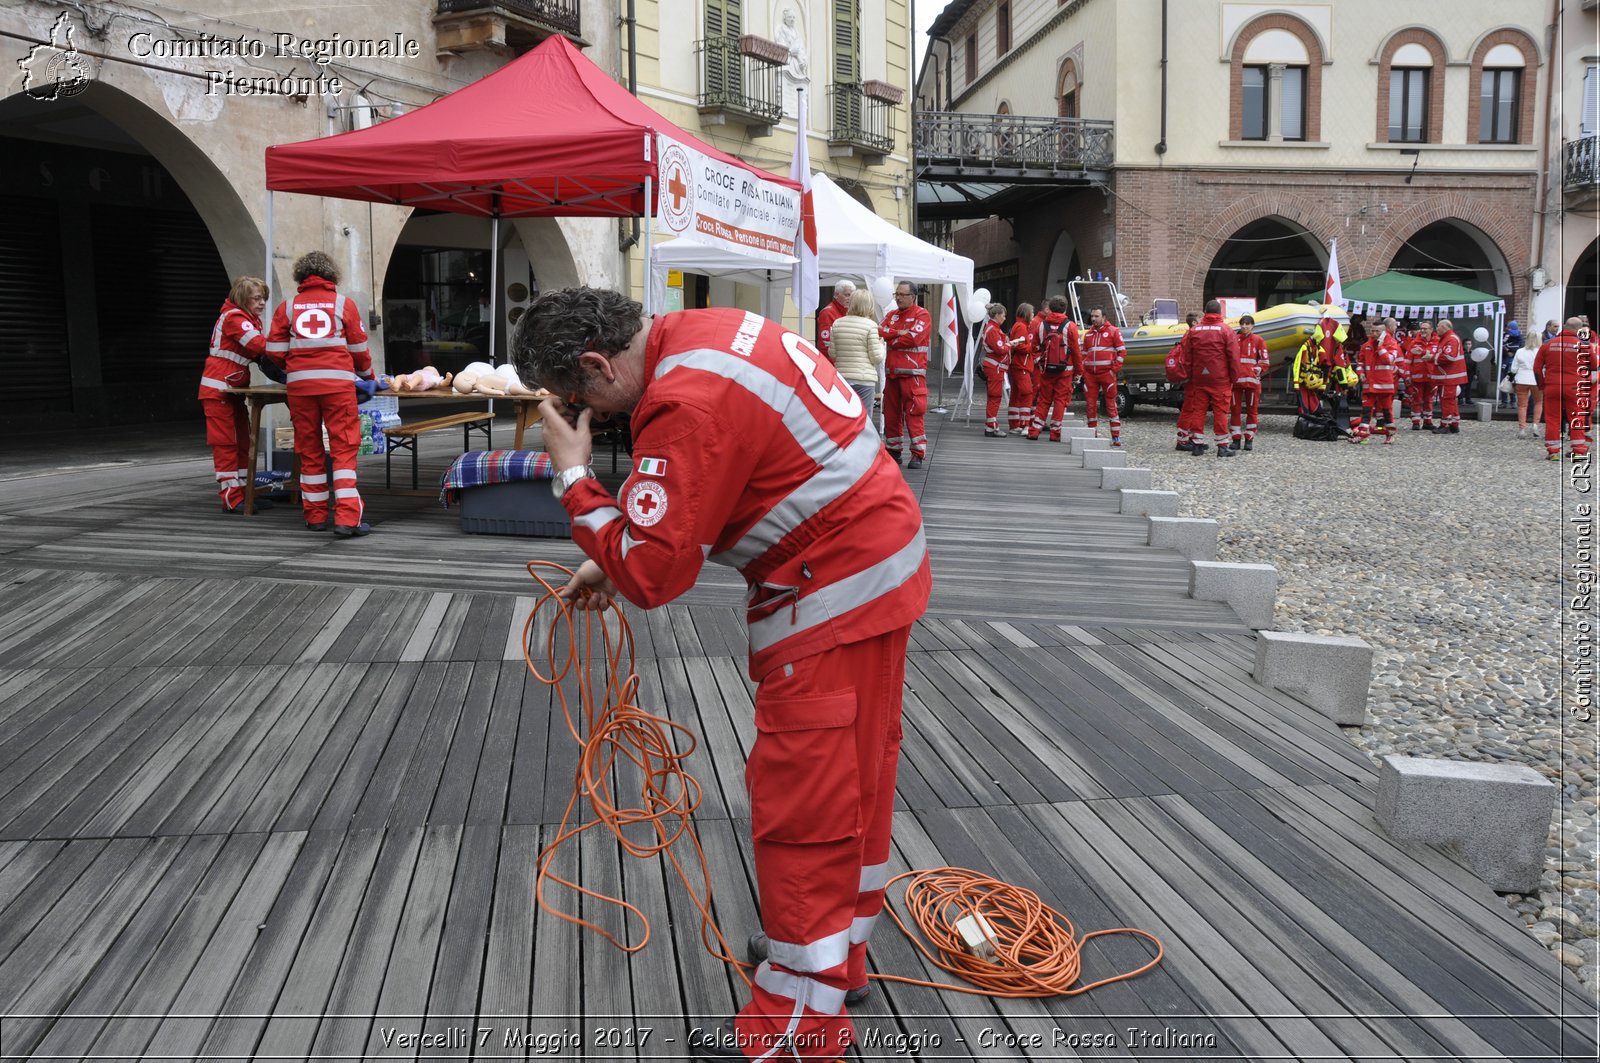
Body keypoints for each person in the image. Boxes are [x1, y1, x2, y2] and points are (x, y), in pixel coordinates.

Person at [511, 287, 932, 1063]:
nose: (592, 419)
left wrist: (575, 479)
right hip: (879, 561)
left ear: (599, 362)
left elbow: (654, 575)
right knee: (857, 779)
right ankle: (837, 962)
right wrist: (613, 553)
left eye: (582, 401)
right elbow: (702, 499)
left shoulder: (684, 400)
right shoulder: (701, 333)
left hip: (831, 589)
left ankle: (796, 1029)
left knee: (803, 804)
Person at [264, 251, 375, 536]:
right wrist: (368, 378)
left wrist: (298, 366)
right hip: (337, 388)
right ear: (331, 276)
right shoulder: (343, 305)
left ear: (301, 277)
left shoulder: (287, 308)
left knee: (309, 449)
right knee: (343, 448)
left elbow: (274, 354)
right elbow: (359, 351)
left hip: (300, 389)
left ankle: (314, 516)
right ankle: (347, 519)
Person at [199, 276, 274, 512]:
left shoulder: (248, 319)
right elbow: (259, 346)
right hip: (218, 391)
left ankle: (245, 492)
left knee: (242, 441)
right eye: (257, 298)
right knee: (226, 444)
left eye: (263, 298)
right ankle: (232, 498)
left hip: (231, 390)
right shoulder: (235, 318)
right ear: (243, 299)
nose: (262, 303)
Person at [1169, 298, 1238, 457]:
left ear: (1205, 312)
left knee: (1199, 410)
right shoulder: (1226, 330)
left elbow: (1187, 356)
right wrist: (1234, 377)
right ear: (1220, 313)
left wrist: (1189, 375)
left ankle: (1197, 445)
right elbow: (1233, 357)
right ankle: (1222, 446)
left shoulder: (1195, 331)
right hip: (1220, 378)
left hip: (1199, 378)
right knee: (1220, 411)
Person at [879, 282, 932, 468]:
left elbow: (913, 337)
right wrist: (898, 333)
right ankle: (894, 450)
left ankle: (918, 453)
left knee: (914, 413)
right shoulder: (891, 315)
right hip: (892, 374)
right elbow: (879, 331)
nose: (898, 297)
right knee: (891, 414)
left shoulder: (922, 315)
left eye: (903, 294)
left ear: (913, 296)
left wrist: (893, 337)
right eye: (897, 294)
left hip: (912, 375)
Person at [1533, 317, 1594, 460]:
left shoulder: (1548, 344)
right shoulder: (1584, 346)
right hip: (1575, 387)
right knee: (1576, 418)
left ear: (1564, 327)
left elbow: (1536, 368)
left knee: (1553, 418)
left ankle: (1553, 452)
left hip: (1552, 386)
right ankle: (1579, 450)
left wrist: (1542, 385)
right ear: (1579, 330)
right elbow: (1594, 366)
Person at [827, 287, 885, 424]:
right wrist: (881, 346)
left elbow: (832, 353)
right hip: (864, 380)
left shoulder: (837, 323)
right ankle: (862, 444)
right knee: (864, 420)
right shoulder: (871, 326)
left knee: (843, 418)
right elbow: (876, 357)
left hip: (842, 377)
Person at [1028, 295, 1077, 441]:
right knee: (1060, 401)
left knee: (1044, 400)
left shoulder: (1042, 325)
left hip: (1047, 369)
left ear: (1051, 308)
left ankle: (1034, 430)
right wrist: (1079, 372)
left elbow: (1034, 347)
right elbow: (1076, 352)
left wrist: (1039, 361)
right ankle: (1055, 433)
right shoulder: (1071, 326)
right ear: (1065, 309)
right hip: (1065, 370)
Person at [1080, 305, 1127, 446]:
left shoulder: (1113, 331)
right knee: (1090, 405)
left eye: (1096, 316)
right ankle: (1092, 433)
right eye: (1092, 316)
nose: (1093, 319)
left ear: (1104, 317)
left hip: (1107, 374)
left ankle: (1115, 437)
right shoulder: (1088, 334)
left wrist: (1114, 370)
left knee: (1111, 405)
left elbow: (1122, 352)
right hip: (1091, 376)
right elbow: (1083, 355)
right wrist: (1084, 371)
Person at [1354, 318, 1402, 444]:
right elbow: (1360, 362)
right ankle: (1362, 434)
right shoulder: (1366, 346)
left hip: (1384, 385)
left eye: (1377, 331)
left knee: (1387, 412)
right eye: (1373, 331)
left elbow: (1389, 360)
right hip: (1369, 384)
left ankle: (1390, 434)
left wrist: (1380, 347)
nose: (1374, 334)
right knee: (1366, 411)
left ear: (1384, 332)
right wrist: (1361, 373)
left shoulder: (1392, 344)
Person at [1230, 313, 1269, 452]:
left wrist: (1257, 370)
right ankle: (1235, 439)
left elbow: (1265, 361)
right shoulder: (1234, 339)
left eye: (1247, 324)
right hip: (1236, 383)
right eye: (1243, 324)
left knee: (1252, 412)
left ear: (1252, 325)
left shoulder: (1258, 340)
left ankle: (1249, 439)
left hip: (1252, 383)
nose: (1244, 326)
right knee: (1235, 411)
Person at [979, 302, 1012, 437]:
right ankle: (991, 427)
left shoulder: (992, 328)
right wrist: (1010, 344)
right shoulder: (993, 330)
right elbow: (1000, 349)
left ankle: (991, 425)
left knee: (994, 397)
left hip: (995, 367)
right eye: (1003, 316)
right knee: (995, 397)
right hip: (995, 368)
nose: (1004, 318)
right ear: (997, 315)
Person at [1431, 319, 1466, 434]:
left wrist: (1433, 358)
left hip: (1449, 376)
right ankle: (1454, 424)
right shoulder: (1448, 338)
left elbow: (1449, 357)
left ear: (1445, 327)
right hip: (1448, 376)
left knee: (1446, 400)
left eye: (1438, 327)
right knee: (1451, 401)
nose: (1437, 329)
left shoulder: (1451, 338)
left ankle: (1445, 424)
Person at [1007, 303, 1036, 432]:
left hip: (1018, 365)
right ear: (1026, 314)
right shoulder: (1021, 327)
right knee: (1027, 393)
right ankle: (1025, 424)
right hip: (1021, 366)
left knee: (1016, 394)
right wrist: (1033, 347)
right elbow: (1019, 346)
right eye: (1032, 313)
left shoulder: (1018, 325)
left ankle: (1014, 423)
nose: (1033, 315)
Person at [1403, 320, 1436, 430]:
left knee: (1429, 400)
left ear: (1431, 330)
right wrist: (1407, 376)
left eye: (1425, 328)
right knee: (1416, 400)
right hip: (1417, 377)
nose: (1422, 330)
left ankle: (1428, 421)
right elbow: (1407, 361)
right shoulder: (1414, 343)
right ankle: (1416, 421)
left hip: (1432, 377)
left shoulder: (1438, 342)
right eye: (1421, 328)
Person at [815, 280, 854, 362]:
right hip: (833, 363)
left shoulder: (850, 312)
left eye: (852, 296)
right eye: (847, 295)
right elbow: (825, 344)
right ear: (836, 295)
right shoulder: (827, 313)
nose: (850, 299)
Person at [1509, 342, 1543, 438]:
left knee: (1522, 405)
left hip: (1522, 378)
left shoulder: (1520, 351)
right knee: (1538, 402)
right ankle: (1535, 425)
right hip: (1536, 379)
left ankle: (1522, 429)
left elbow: (1513, 368)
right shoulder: (1541, 351)